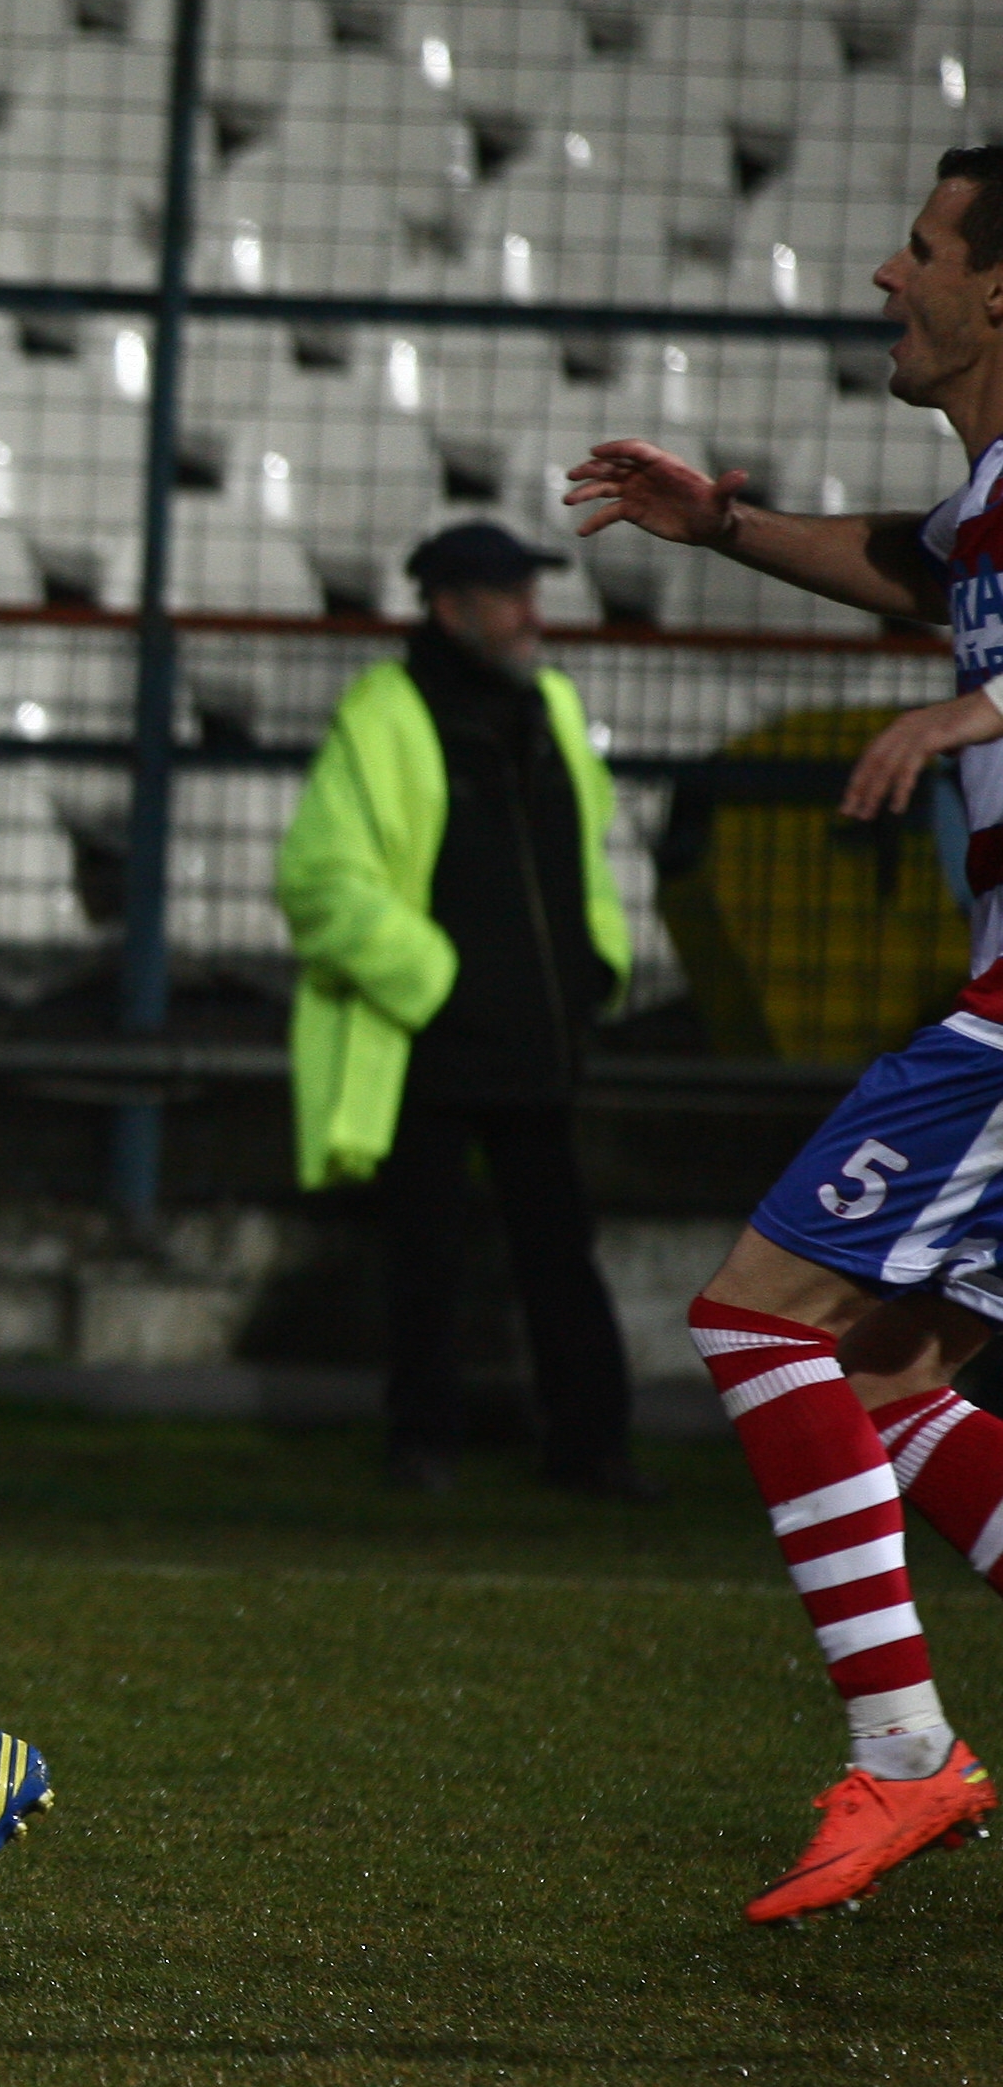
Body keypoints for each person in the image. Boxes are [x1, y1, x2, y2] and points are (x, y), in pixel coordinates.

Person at [563, 142, 1003, 1923]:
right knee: (890, 1377)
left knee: (755, 1317)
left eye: (916, 252)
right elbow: (910, 568)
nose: (882, 280)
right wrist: (720, 524)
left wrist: (960, 714)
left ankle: (902, 1758)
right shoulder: (980, 507)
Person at [276, 518, 644, 1498]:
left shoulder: (547, 705)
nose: (533, 611)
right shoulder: (387, 711)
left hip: (534, 1034)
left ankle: (586, 1446)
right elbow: (320, 879)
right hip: (430, 1040)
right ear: (451, 607)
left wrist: (592, 968)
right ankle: (427, 1441)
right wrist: (439, 982)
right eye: (510, 592)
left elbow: (587, 852)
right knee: (427, 1259)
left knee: (556, 1252)